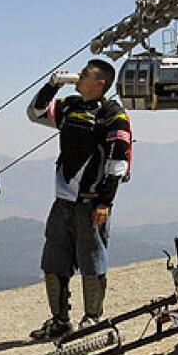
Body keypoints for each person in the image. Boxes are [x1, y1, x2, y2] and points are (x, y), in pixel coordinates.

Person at [26, 59, 132, 340]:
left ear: (100, 84)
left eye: (86, 74)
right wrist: (51, 86)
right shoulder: (70, 105)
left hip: (91, 201)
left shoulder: (113, 114)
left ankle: (92, 319)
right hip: (62, 200)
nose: (79, 75)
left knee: (92, 260)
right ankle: (60, 321)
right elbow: (35, 113)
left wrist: (105, 202)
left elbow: (118, 162)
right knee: (53, 261)